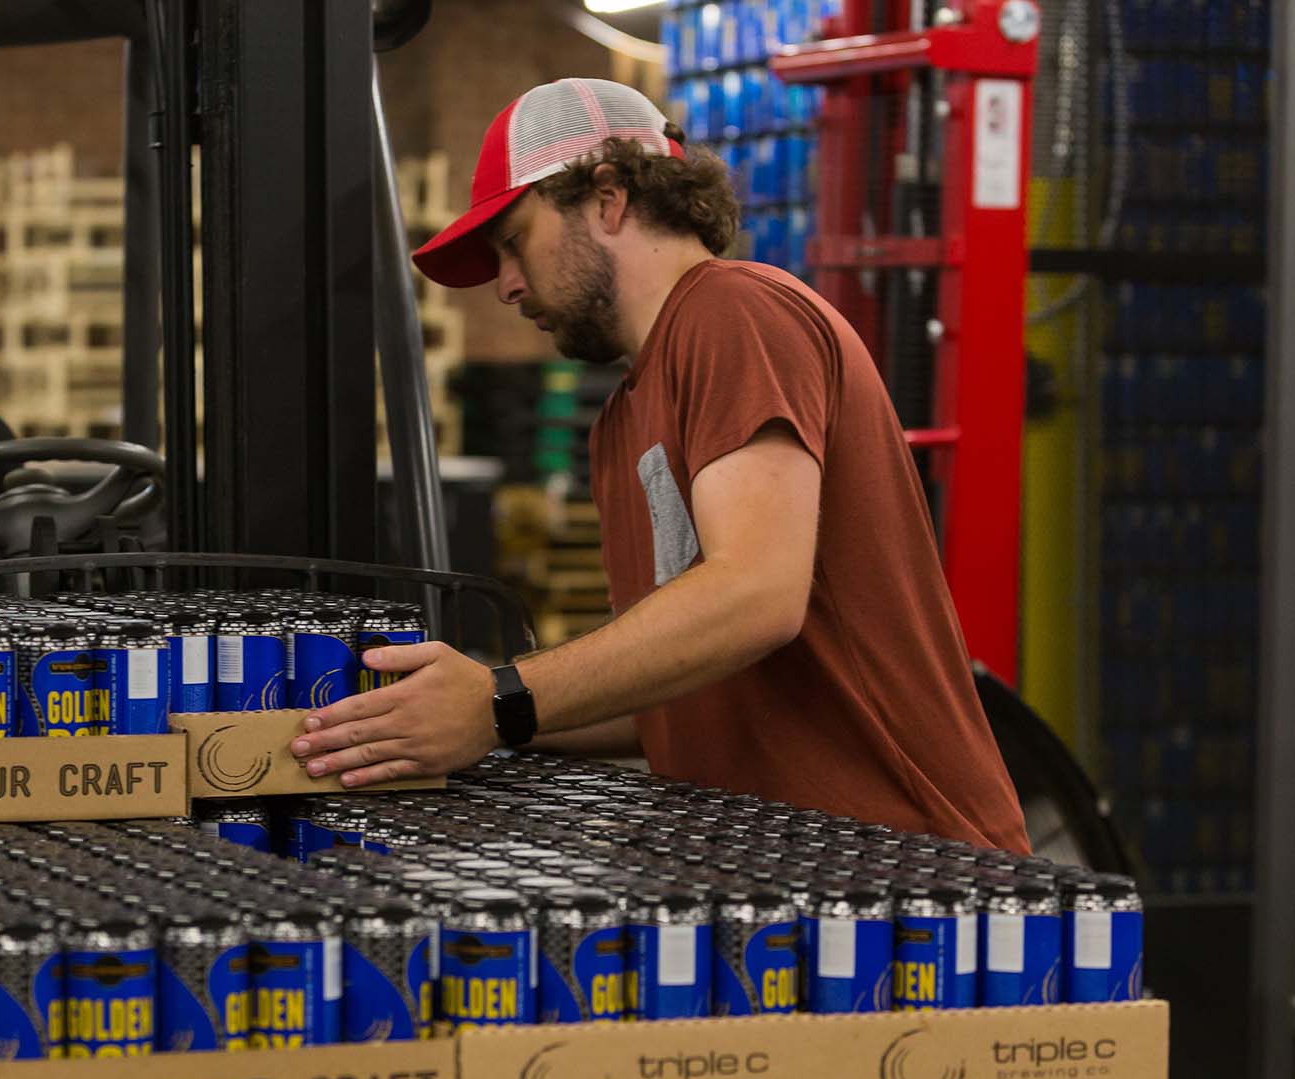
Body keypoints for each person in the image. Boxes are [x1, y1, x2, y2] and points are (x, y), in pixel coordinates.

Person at [290, 77, 1029, 853]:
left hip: (914, 878)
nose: (506, 284)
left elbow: (754, 594)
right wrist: (455, 715)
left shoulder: (734, 314)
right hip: (783, 875)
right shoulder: (623, 419)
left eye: (513, 240)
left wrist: (501, 700)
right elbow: (674, 695)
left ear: (606, 197)